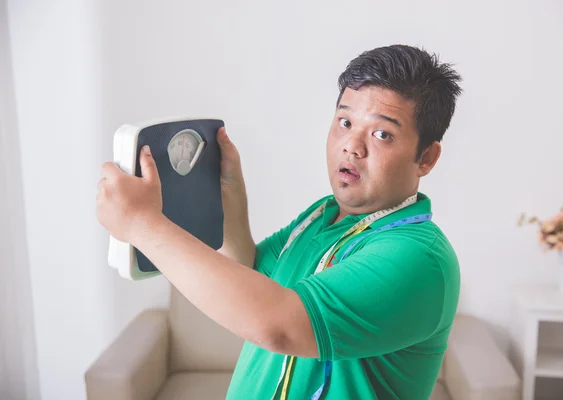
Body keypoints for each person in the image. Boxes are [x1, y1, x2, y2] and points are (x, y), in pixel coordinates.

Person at [96, 44, 463, 400]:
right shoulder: (323, 215)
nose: (352, 145)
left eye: (382, 134)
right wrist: (230, 196)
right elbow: (248, 275)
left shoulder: (417, 256)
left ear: (426, 158)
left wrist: (145, 226)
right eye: (345, 122)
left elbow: (279, 325)